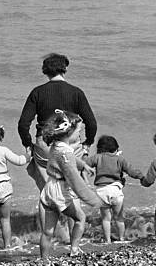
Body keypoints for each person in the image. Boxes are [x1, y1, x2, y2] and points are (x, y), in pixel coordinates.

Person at [18, 53, 98, 190]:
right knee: (72, 189)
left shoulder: (37, 92)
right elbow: (91, 123)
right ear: (64, 69)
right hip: (70, 144)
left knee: (47, 191)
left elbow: (23, 124)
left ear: (45, 70)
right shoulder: (76, 92)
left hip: (45, 146)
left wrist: (28, 144)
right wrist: (87, 144)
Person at [38, 110, 102, 257]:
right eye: (78, 131)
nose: (79, 135)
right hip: (61, 190)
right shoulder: (65, 152)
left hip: (49, 188)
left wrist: (83, 165)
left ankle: (43, 260)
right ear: (68, 132)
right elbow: (72, 177)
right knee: (80, 218)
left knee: (48, 230)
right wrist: (91, 198)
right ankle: (74, 250)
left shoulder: (57, 145)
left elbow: (69, 159)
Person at [85, 135, 144, 243]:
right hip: (115, 191)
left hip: (101, 192)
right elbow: (132, 171)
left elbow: (84, 164)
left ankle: (107, 240)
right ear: (116, 148)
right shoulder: (120, 159)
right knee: (119, 218)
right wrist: (142, 177)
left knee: (105, 218)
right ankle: (121, 238)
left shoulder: (98, 157)